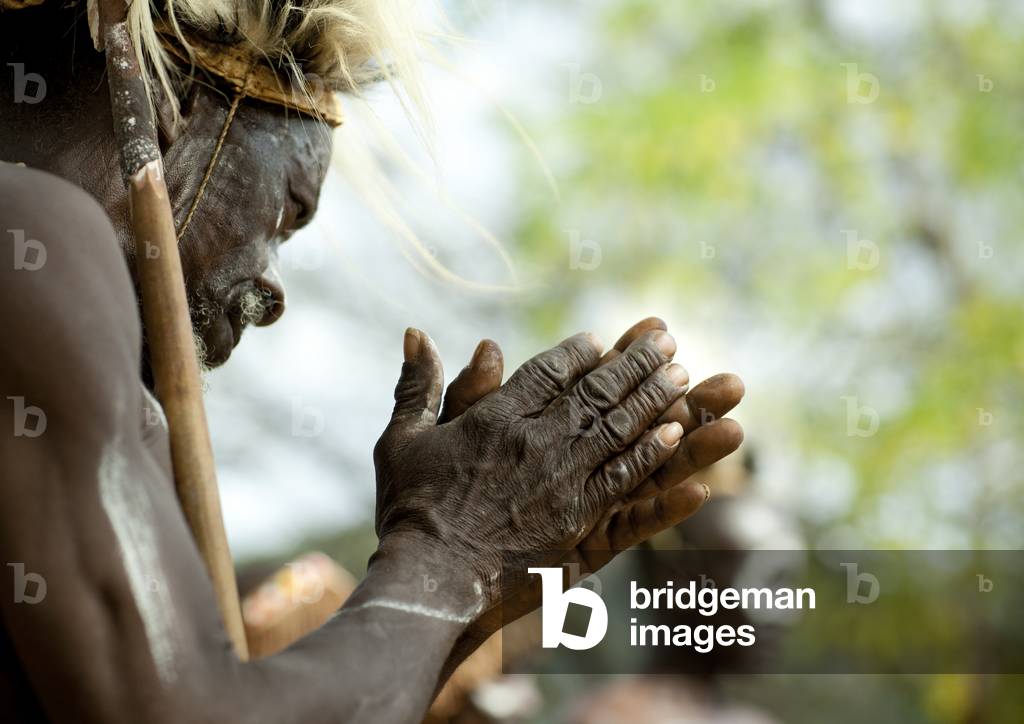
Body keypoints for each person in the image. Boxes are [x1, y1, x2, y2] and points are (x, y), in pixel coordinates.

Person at [0, 1, 745, 721]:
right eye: (287, 214)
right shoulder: (30, 233)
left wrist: (468, 596)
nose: (270, 288)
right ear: (177, 108)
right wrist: (451, 550)